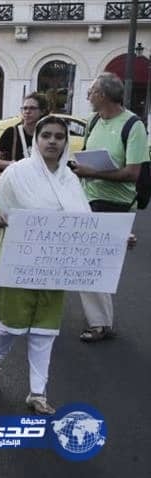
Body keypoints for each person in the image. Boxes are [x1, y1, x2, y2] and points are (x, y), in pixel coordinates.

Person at [0, 116, 136, 414]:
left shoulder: (70, 180)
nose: (53, 141)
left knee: (43, 333)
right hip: (19, 269)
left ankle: (37, 393)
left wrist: (118, 238)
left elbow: (86, 224)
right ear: (37, 140)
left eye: (59, 137)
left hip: (54, 272)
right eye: (47, 135)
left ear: (66, 143)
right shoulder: (16, 173)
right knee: (10, 329)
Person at [70, 72, 148, 343]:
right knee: (89, 262)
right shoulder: (93, 121)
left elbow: (132, 173)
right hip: (88, 198)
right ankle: (100, 319)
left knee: (94, 264)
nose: (87, 96)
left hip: (115, 204)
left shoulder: (133, 126)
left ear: (103, 95)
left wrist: (93, 172)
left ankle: (100, 323)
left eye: (90, 92)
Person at [0, 93, 50, 190]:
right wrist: (12, 164)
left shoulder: (47, 135)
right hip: (15, 186)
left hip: (38, 187)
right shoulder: (11, 132)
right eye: (25, 108)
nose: (27, 112)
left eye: (32, 108)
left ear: (42, 111)